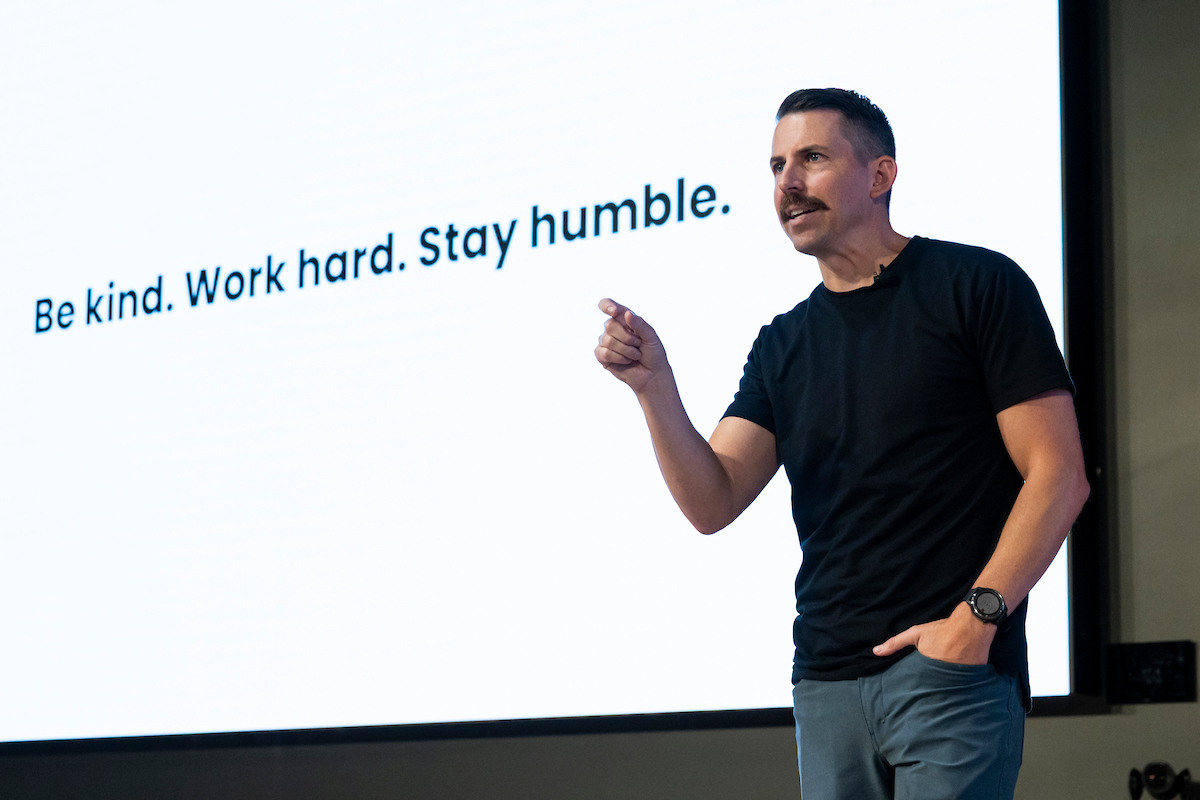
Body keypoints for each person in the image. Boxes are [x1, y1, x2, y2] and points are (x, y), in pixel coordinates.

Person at [593, 88, 1090, 800]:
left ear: (880, 175)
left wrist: (975, 620)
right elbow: (713, 501)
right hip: (826, 685)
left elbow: (1059, 474)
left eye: (812, 158)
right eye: (775, 167)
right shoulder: (783, 344)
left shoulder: (976, 285)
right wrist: (654, 387)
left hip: (949, 669)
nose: (787, 183)